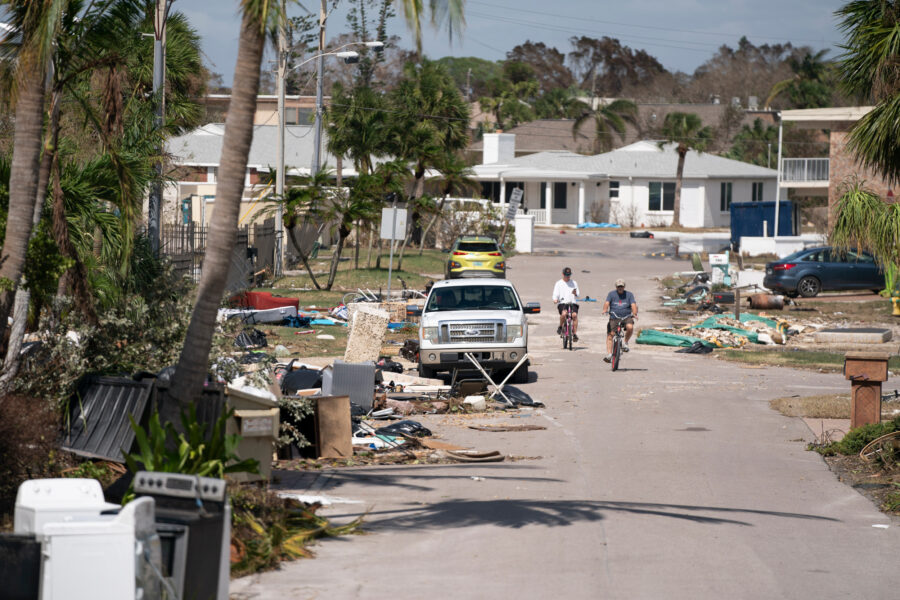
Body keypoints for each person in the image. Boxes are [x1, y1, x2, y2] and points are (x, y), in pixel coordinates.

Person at [602, 278, 637, 362]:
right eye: (618, 287)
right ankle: (609, 355)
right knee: (611, 334)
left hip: (626, 316)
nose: (620, 288)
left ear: (624, 286)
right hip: (614, 316)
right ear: (616, 287)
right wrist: (605, 310)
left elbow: (633, 305)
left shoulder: (629, 294)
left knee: (630, 327)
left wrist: (634, 314)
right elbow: (607, 303)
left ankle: (625, 343)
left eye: (621, 286)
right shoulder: (611, 294)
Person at [552, 267, 579, 342]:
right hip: (563, 303)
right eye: (566, 275)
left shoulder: (574, 283)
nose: (568, 277)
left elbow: (578, 294)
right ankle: (560, 327)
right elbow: (555, 294)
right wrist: (555, 299)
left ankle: (574, 334)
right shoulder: (558, 283)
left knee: (574, 315)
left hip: (572, 302)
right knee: (564, 314)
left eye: (569, 275)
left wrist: (575, 293)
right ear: (563, 274)